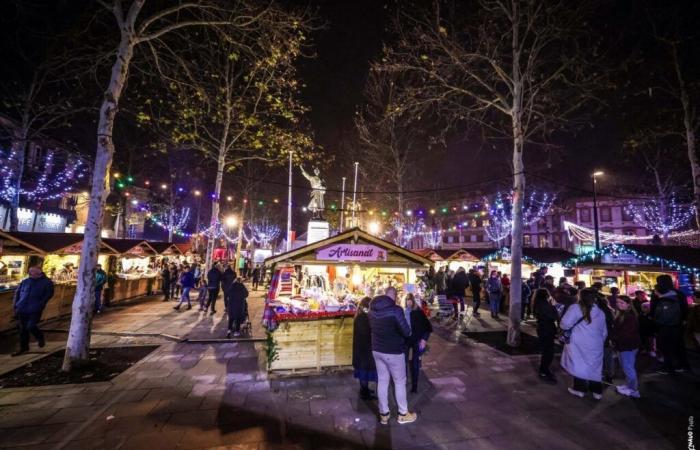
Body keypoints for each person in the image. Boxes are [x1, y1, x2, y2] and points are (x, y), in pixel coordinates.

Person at [368, 287, 417, 425]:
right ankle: (403, 414)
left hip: (377, 350)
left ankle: (384, 414)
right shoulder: (396, 310)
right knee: (399, 382)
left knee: (382, 381)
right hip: (394, 352)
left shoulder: (372, 309)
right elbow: (407, 332)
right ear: (394, 296)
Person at [560, 288, 608, 400]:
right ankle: (597, 391)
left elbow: (565, 324)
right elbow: (604, 331)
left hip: (578, 342)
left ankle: (579, 389)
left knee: (578, 365)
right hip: (596, 344)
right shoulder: (600, 311)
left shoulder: (575, 308)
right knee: (595, 367)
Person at [650, 275, 689, 374]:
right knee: (679, 345)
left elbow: (653, 310)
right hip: (678, 325)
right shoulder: (679, 293)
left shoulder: (657, 293)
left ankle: (668, 367)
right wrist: (683, 320)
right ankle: (681, 365)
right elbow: (685, 308)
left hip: (663, 326)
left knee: (665, 347)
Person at [12, 266, 54, 356]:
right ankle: (24, 348)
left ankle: (40, 337)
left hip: (35, 308)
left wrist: (40, 304)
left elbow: (49, 294)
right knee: (23, 329)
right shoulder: (25, 281)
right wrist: (15, 305)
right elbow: (18, 294)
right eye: (29, 273)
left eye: (32, 273)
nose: (30, 274)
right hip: (22, 307)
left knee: (30, 326)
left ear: (39, 273)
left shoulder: (47, 282)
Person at [612, 295, 641, 398]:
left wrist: (614, 337)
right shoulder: (621, 314)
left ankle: (634, 390)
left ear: (628, 304)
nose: (619, 304)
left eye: (622, 303)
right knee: (626, 367)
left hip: (628, 346)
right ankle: (628, 385)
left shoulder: (630, 316)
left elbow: (626, 333)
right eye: (618, 302)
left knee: (628, 368)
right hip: (623, 345)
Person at [405, 295, 432, 393]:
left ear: (413, 301)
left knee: (415, 363)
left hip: (416, 339)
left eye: (410, 300)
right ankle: (404, 382)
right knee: (404, 362)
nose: (408, 302)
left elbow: (428, 327)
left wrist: (424, 339)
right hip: (406, 340)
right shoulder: (404, 312)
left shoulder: (418, 312)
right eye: (407, 300)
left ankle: (414, 386)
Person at [352, 297, 377, 400]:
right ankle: (364, 392)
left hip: (363, 349)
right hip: (363, 350)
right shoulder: (362, 318)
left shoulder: (362, 316)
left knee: (364, 371)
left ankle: (365, 390)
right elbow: (365, 332)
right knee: (363, 372)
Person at [533, 288, 558, 383]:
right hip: (547, 328)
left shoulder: (538, 303)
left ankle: (544, 369)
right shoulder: (545, 305)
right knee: (549, 351)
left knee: (546, 350)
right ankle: (544, 370)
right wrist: (553, 306)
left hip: (542, 328)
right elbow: (554, 316)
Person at [226, 273, 249, 337]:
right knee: (238, 318)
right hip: (239, 305)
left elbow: (228, 294)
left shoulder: (232, 286)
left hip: (231, 305)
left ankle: (229, 330)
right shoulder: (242, 286)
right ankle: (236, 331)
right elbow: (246, 294)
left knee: (231, 318)